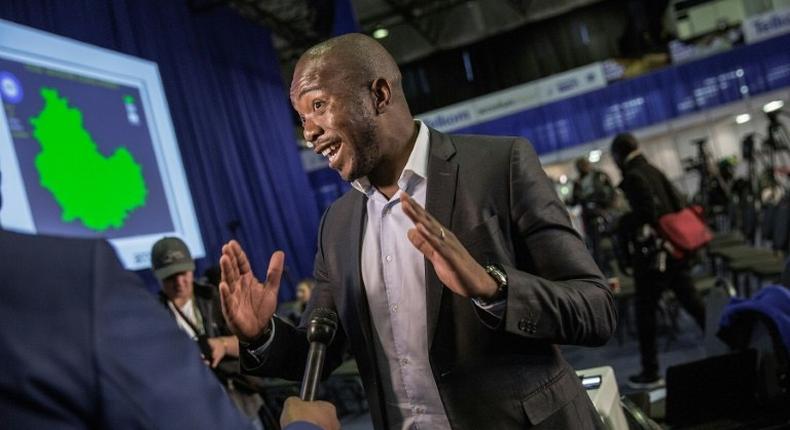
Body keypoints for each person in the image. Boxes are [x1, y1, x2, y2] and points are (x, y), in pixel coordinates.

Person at [220, 33, 616, 429]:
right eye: (303, 119)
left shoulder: (500, 165)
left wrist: (493, 289)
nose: (309, 133)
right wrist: (261, 335)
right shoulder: (336, 225)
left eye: (319, 106)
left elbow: (595, 308)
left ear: (378, 94)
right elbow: (318, 352)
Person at [0, 229, 339, 430]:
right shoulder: (139, 307)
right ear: (158, 279)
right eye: (171, 276)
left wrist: (233, 340)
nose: (180, 281)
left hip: (240, 404)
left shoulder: (219, 299)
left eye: (184, 272)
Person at [610, 133, 706, 389]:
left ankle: (650, 371)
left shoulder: (633, 176)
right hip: (673, 250)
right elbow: (677, 202)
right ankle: (734, 339)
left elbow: (646, 214)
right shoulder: (652, 168)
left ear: (618, 155)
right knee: (692, 302)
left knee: (646, 314)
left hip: (655, 257)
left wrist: (623, 223)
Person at [571, 157, 617, 275]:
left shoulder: (598, 176)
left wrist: (609, 208)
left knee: (607, 245)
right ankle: (606, 273)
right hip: (593, 218)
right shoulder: (580, 181)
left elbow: (611, 193)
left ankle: (611, 271)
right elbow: (575, 200)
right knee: (598, 248)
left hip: (604, 215)